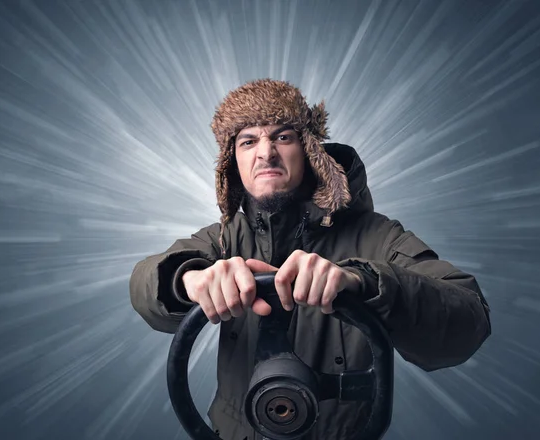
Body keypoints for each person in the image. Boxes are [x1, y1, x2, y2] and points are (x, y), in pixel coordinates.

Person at [129, 78, 491, 440]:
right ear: (232, 163)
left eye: (283, 137)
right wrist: (187, 280)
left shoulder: (379, 237)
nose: (266, 152)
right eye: (248, 141)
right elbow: (144, 283)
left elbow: (468, 322)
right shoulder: (223, 239)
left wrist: (365, 282)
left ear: (309, 150)